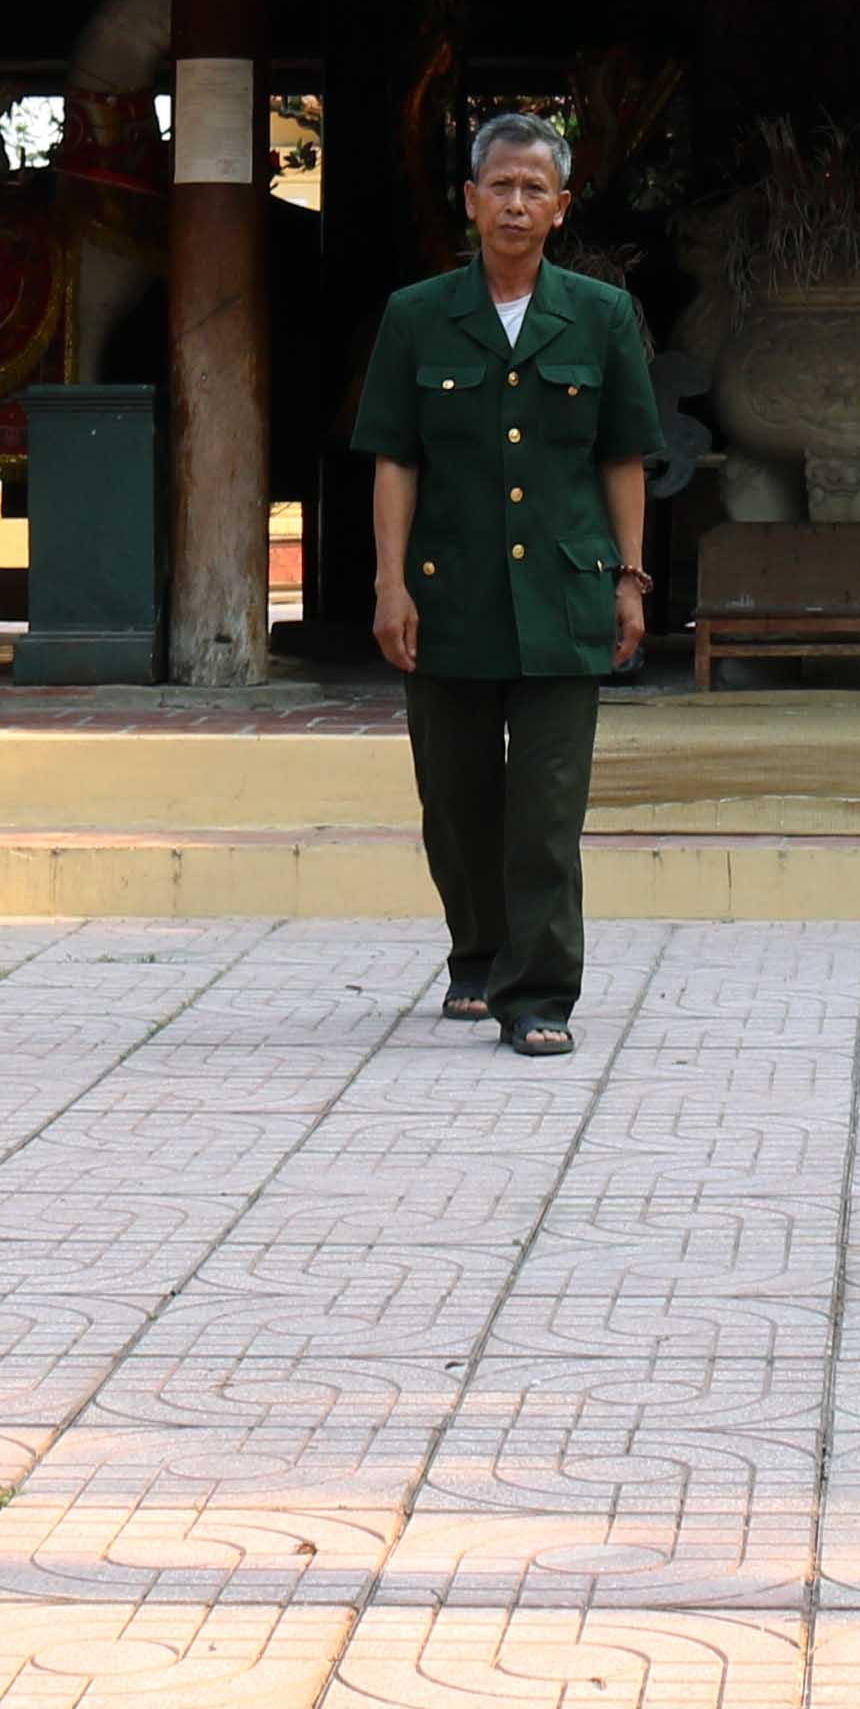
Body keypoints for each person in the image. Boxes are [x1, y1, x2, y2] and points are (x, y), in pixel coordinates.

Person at [350, 112, 659, 1059]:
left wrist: (632, 577)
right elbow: (394, 459)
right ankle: (477, 955)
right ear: (471, 200)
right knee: (456, 795)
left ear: (561, 208)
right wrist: (390, 583)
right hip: (451, 594)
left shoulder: (603, 317)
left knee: (548, 803)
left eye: (536, 189)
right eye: (501, 186)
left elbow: (622, 458)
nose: (516, 204)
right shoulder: (416, 314)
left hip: (567, 596)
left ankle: (541, 995)